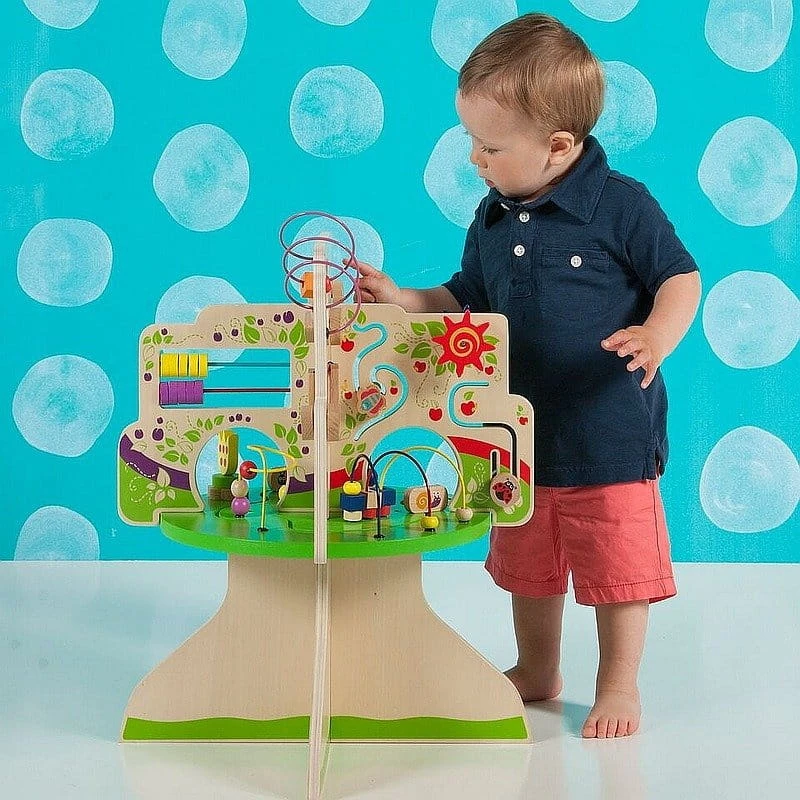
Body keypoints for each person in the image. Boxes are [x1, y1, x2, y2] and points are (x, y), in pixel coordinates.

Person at [352, 12, 701, 738]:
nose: (475, 158)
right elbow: (464, 298)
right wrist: (404, 300)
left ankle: (618, 684)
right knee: (528, 559)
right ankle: (538, 667)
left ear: (558, 147)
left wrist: (657, 334)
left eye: (490, 147)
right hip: (518, 434)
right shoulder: (492, 217)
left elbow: (681, 278)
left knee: (617, 566)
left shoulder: (622, 206)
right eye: (473, 143)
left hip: (608, 433)